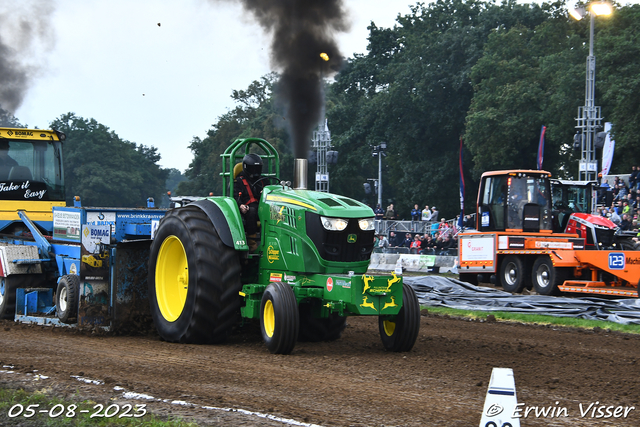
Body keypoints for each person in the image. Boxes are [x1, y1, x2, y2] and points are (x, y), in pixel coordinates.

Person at [235, 153, 265, 251]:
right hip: (248, 208)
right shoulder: (239, 181)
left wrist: (264, 192)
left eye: (257, 168)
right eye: (253, 168)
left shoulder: (263, 180)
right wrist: (241, 205)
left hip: (263, 205)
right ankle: (252, 243)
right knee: (252, 211)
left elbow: (271, 190)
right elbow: (235, 196)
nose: (255, 171)